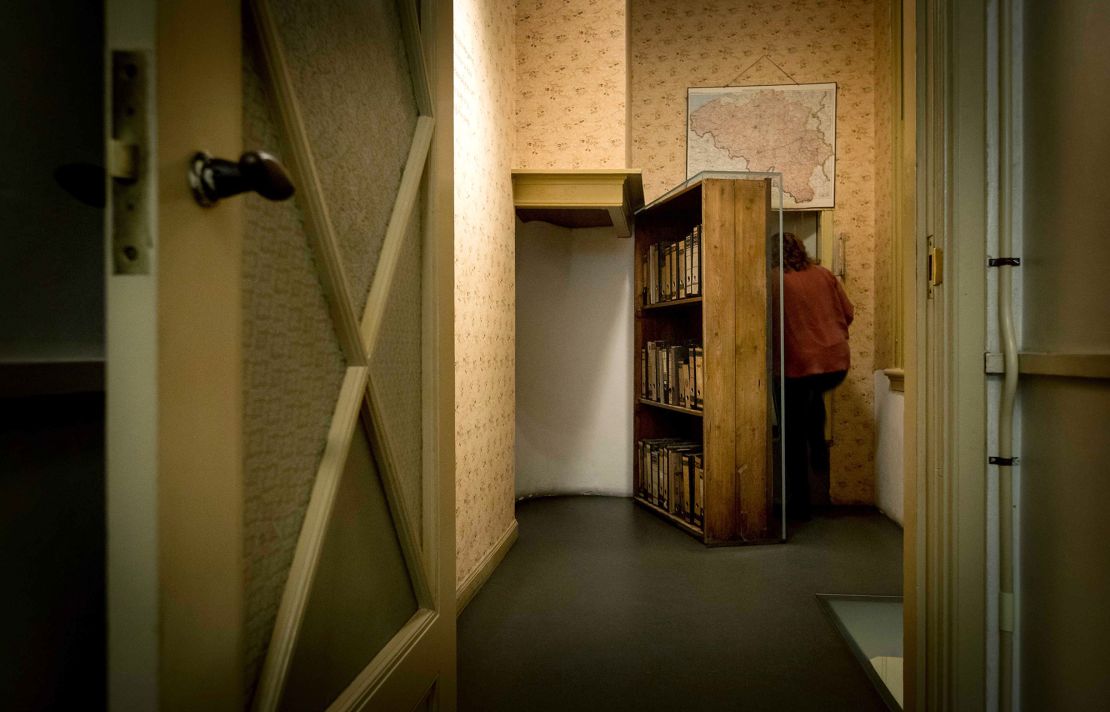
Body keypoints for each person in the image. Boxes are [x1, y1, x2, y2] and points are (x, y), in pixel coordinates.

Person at [778, 232, 853, 521]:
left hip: (798, 365)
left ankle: (798, 505)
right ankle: (818, 441)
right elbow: (848, 313)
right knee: (812, 399)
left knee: (791, 435)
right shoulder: (823, 274)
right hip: (835, 363)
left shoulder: (776, 280)